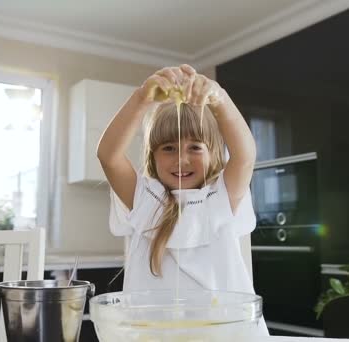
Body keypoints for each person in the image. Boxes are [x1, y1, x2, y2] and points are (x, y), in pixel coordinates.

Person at [97, 64, 268, 335]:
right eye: (168, 148)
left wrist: (219, 99)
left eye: (195, 147)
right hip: (154, 335)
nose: (181, 159)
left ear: (212, 153)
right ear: (152, 156)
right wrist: (142, 98)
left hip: (224, 334)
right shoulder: (143, 199)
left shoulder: (221, 196)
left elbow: (245, 154)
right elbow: (109, 156)